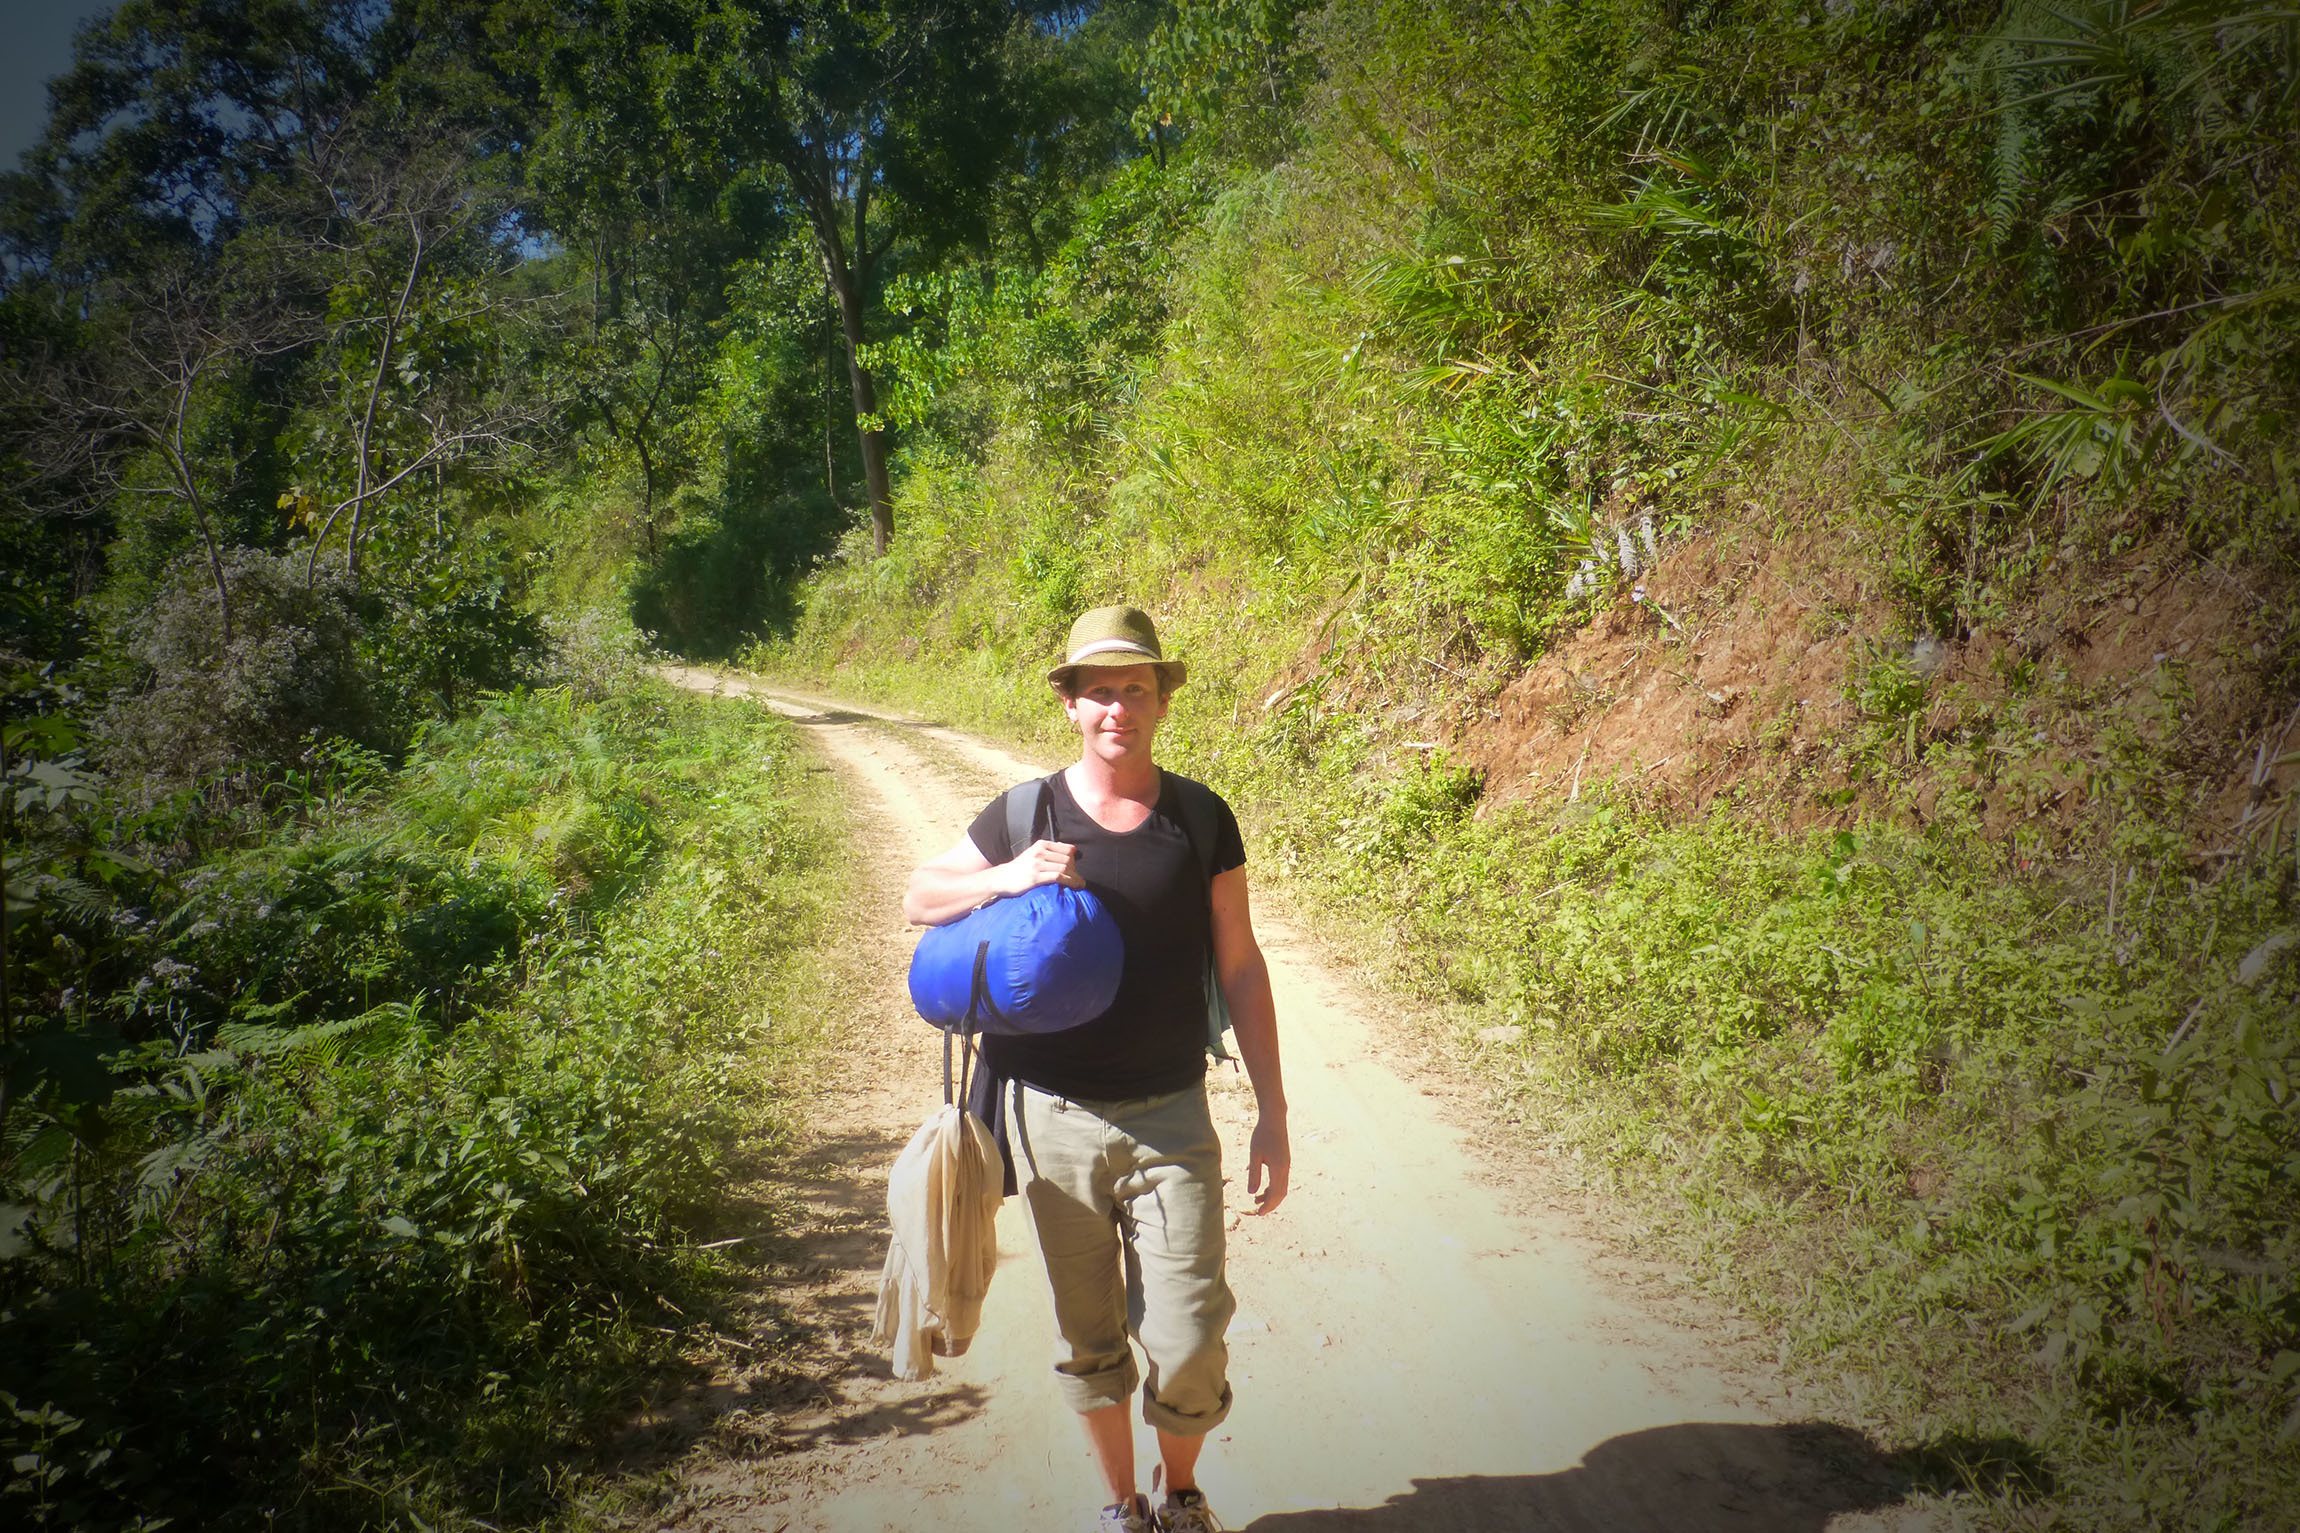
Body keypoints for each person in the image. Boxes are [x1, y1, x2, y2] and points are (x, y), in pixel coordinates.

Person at [903, 605, 1290, 1533]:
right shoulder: (1025, 812)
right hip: (1048, 1118)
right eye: (1099, 690)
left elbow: (1239, 961)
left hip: (1171, 1116)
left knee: (1191, 1336)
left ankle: (1182, 1492)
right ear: (1071, 705)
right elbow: (922, 894)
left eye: (1136, 688)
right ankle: (1122, 1506)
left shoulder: (1200, 817)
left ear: (1160, 703)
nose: (1118, 706)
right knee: (1091, 1338)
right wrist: (1009, 876)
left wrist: (1272, 1109)